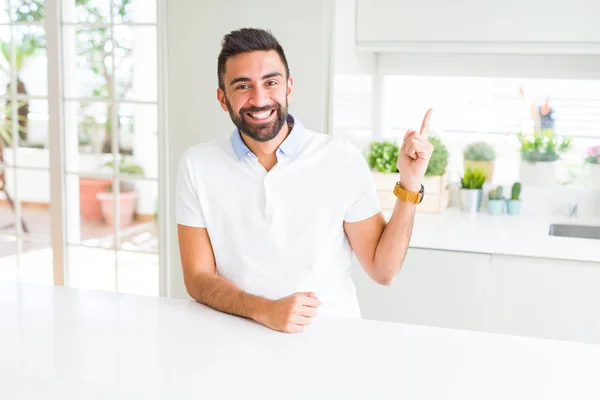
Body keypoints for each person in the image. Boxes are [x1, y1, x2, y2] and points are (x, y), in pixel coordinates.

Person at [176, 28, 434, 333]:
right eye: (243, 86)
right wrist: (264, 310)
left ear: (289, 88)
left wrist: (410, 184)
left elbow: (384, 271)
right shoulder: (197, 165)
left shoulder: (341, 159)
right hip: (236, 340)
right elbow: (197, 278)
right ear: (223, 98)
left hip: (332, 343)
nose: (259, 99)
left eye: (271, 82)